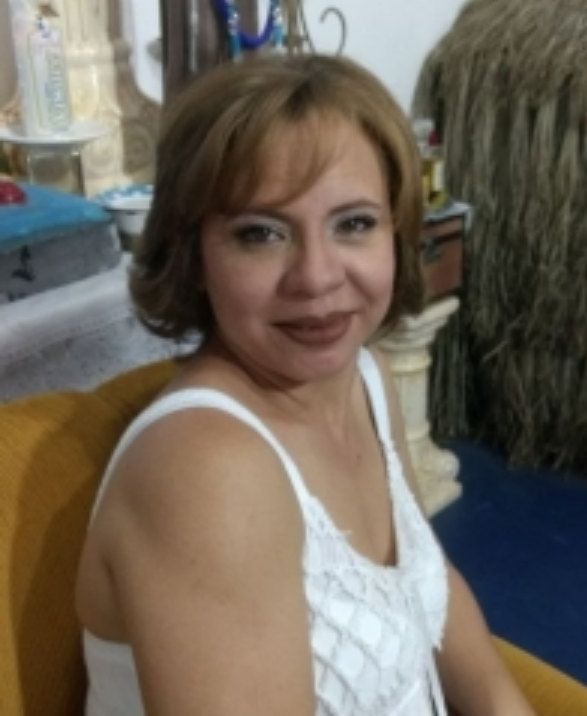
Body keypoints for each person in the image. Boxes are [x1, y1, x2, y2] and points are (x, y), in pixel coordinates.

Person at [75, 53, 535, 716]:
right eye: (261, 233)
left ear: (397, 232)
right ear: (194, 255)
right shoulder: (207, 472)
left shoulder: (365, 378)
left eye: (354, 223)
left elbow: (424, 585)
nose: (317, 277)